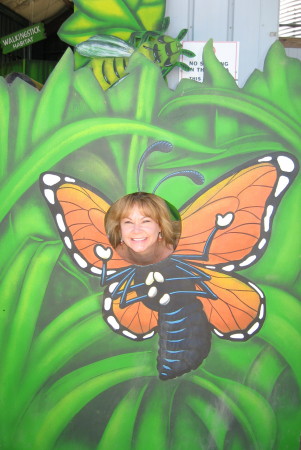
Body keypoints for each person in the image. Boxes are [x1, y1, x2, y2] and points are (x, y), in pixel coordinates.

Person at [105, 192, 181, 266]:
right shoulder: (108, 258)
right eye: (128, 222)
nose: (136, 231)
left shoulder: (179, 249)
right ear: (119, 228)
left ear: (160, 226)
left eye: (145, 221)